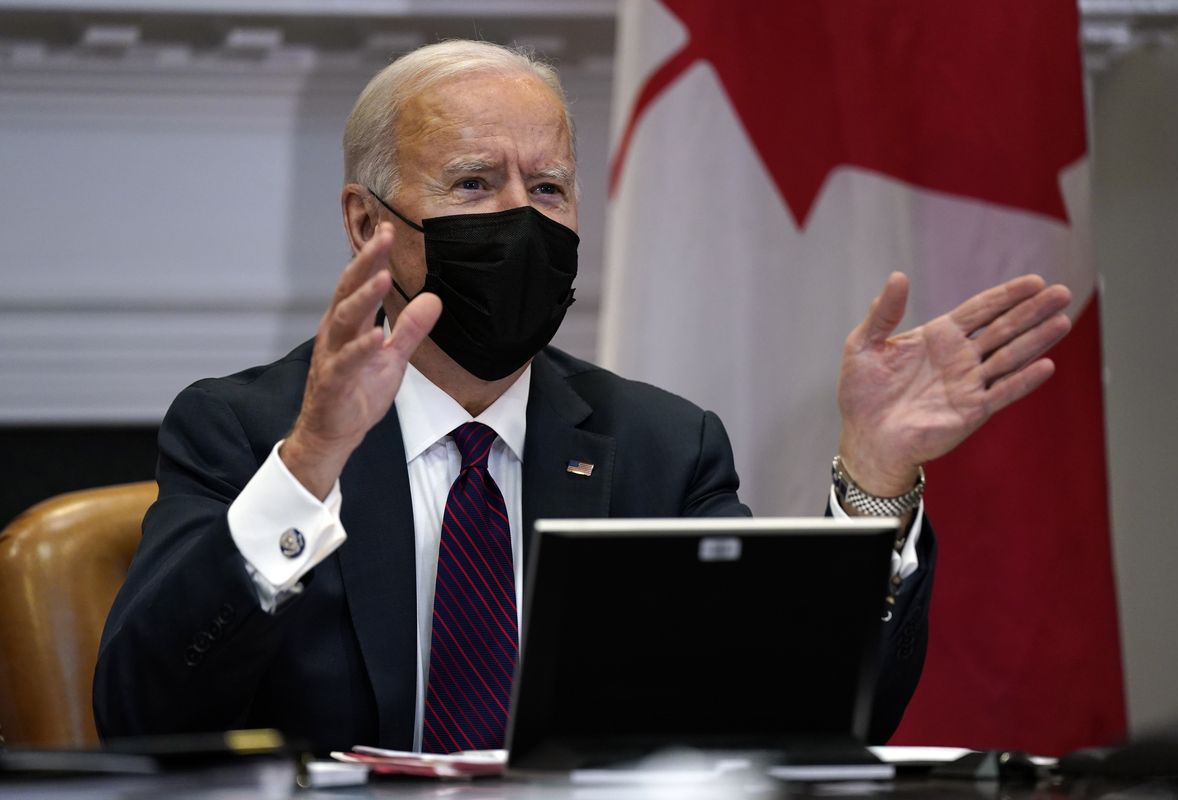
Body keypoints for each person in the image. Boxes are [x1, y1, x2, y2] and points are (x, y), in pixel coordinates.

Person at [93, 40, 1072, 755]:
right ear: (367, 223)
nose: (523, 217)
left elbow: (806, 720)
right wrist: (312, 463)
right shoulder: (245, 429)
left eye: (550, 187)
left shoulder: (660, 445)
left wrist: (876, 473)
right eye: (476, 183)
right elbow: (141, 711)